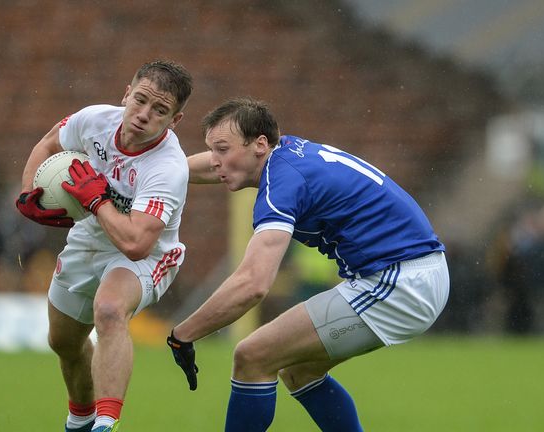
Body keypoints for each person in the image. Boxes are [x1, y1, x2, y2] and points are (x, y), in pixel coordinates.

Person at [166, 97, 449, 431]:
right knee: (298, 370)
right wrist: (151, 173)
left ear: (259, 144)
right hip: (411, 273)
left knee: (253, 355)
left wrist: (183, 334)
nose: (214, 161)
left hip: (400, 282)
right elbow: (205, 166)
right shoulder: (285, 152)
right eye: (212, 150)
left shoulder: (281, 184)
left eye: (223, 149)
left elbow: (253, 284)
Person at [15, 60, 193, 432]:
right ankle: (80, 419)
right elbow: (49, 142)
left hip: (149, 253)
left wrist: (97, 201)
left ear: (175, 120)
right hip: (90, 236)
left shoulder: (168, 167)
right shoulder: (94, 120)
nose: (144, 115)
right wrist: (28, 193)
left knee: (110, 310)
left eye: (160, 110)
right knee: (63, 341)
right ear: (126, 94)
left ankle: (105, 424)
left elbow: (136, 244)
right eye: (140, 100)